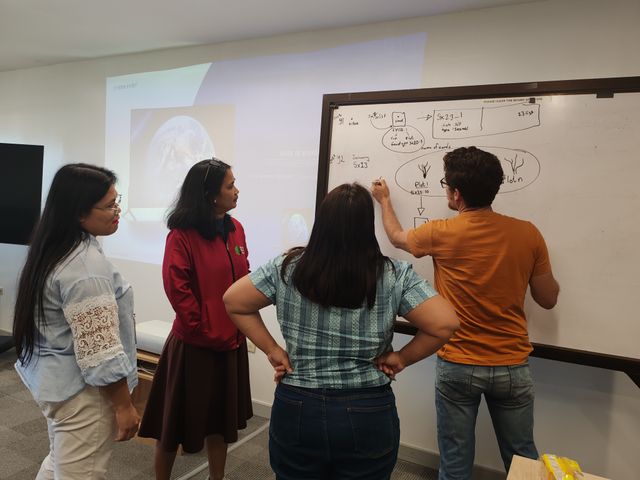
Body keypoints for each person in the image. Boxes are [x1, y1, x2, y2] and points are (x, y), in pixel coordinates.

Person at [223, 183, 460, 480]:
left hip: (297, 405)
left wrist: (273, 350)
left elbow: (234, 301)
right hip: (368, 408)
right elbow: (445, 323)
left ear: (322, 222)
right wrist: (401, 358)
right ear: (366, 226)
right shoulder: (393, 274)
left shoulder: (287, 267)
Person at [370, 146, 560, 479]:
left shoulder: (440, 232)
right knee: (523, 460)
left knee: (455, 463)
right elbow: (548, 299)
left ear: (456, 193)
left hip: (458, 364)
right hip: (512, 365)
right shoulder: (528, 233)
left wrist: (384, 201)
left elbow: (397, 238)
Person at [12, 164, 140, 480]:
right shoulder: (85, 266)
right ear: (79, 213)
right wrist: (124, 406)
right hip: (85, 395)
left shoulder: (58, 247)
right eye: (109, 205)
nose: (117, 210)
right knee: (80, 473)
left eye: (117, 200)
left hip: (57, 383)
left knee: (60, 462)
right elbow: (101, 353)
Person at [138, 158, 252, 480]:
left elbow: (243, 278)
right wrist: (203, 329)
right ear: (209, 194)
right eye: (230, 186)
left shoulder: (236, 229)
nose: (236, 191)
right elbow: (178, 289)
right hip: (195, 344)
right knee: (171, 424)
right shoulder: (182, 234)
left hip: (230, 341)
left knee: (221, 424)